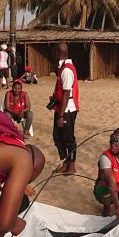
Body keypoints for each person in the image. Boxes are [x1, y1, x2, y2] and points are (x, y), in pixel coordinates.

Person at [51, 42, 80, 175]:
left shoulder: (67, 70)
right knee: (57, 137)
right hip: (60, 108)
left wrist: (61, 115)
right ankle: (65, 162)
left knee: (68, 138)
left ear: (57, 53)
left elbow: (67, 93)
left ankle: (72, 166)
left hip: (67, 110)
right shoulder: (62, 68)